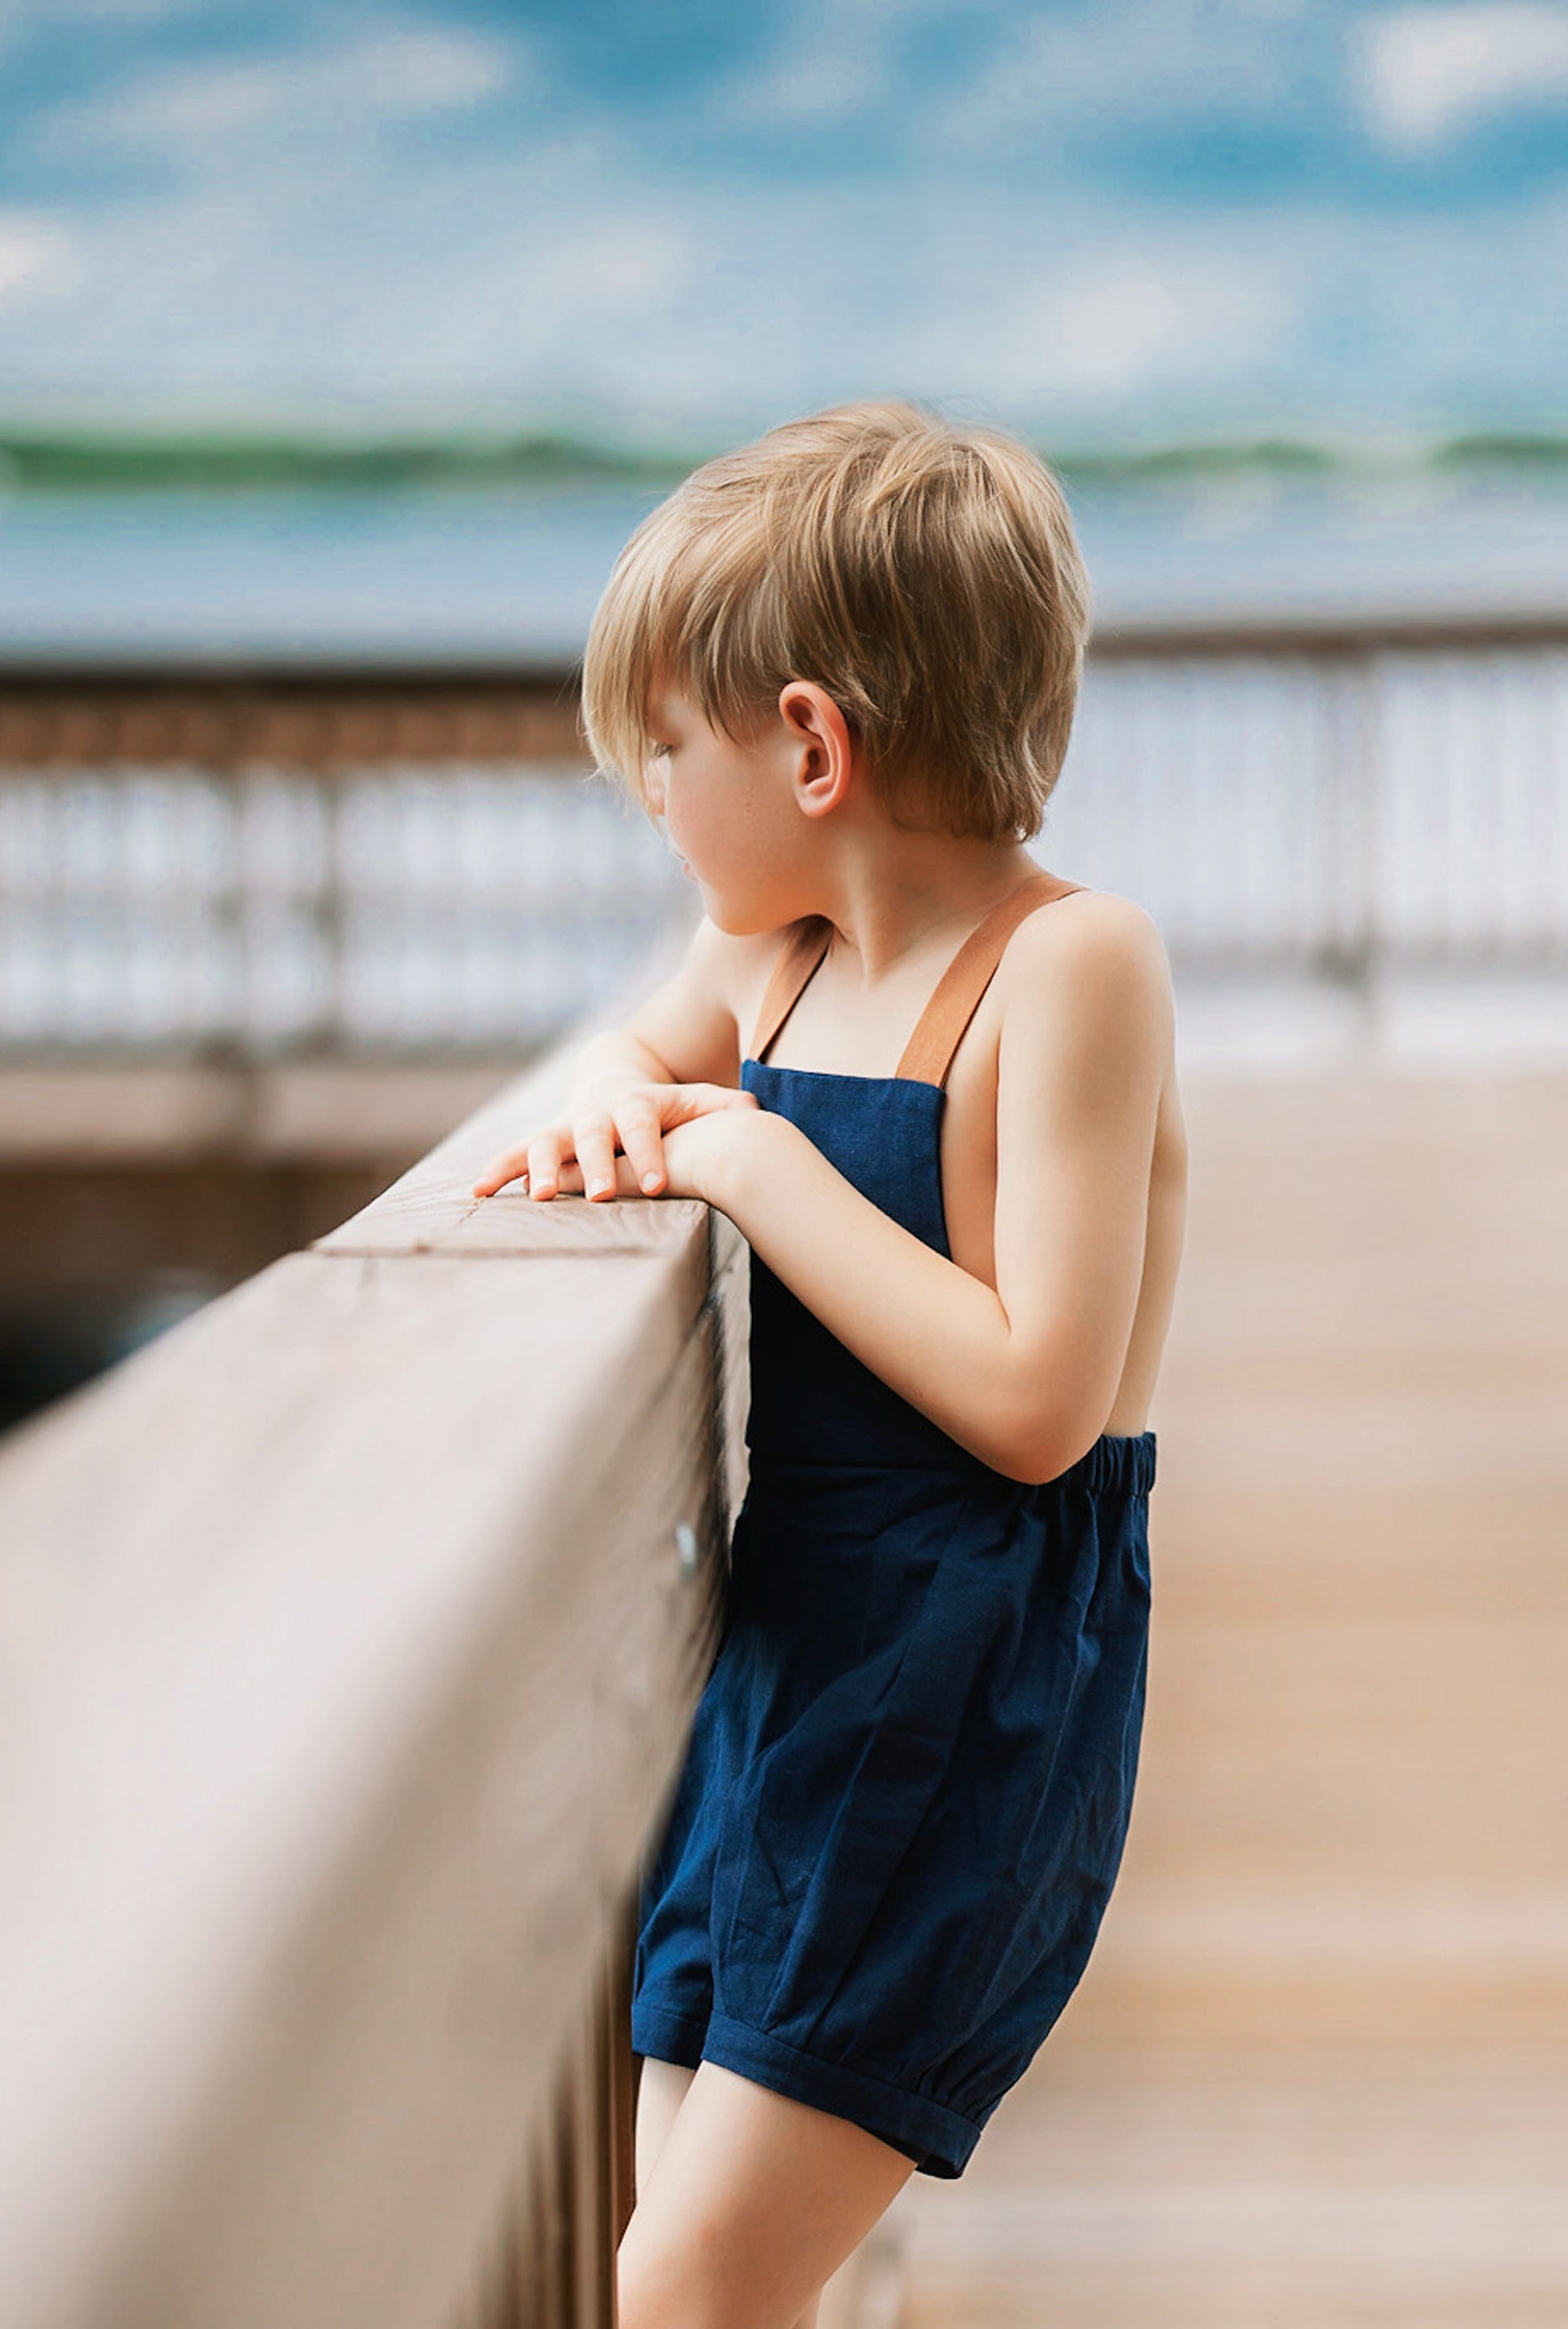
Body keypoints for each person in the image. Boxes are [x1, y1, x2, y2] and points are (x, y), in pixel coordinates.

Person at [471, 402, 1186, 2329]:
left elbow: (1044, 1399)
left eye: (663, 750)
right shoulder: (770, 959)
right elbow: (623, 1061)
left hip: (964, 1688)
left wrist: (754, 1157)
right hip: (784, 1664)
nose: (648, 795)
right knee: (669, 2252)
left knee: (704, 2280)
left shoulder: (1070, 970)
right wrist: (634, 1106)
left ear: (808, 742)